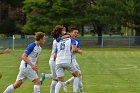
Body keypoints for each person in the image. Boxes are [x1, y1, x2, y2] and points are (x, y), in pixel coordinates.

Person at [40, 25, 69, 93]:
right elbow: (64, 37)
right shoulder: (57, 40)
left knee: (56, 78)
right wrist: (67, 35)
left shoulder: (59, 39)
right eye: (63, 30)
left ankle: (45, 76)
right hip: (54, 61)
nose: (64, 31)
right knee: (56, 79)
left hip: (56, 61)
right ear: (60, 32)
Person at [54, 29, 82, 93]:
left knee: (60, 81)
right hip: (67, 61)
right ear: (69, 34)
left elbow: (55, 55)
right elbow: (74, 49)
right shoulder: (72, 40)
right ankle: (74, 92)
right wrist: (79, 51)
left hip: (58, 62)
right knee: (77, 75)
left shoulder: (59, 42)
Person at [65, 27, 84, 93]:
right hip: (70, 61)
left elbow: (76, 50)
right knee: (78, 76)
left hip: (73, 60)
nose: (76, 34)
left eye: (77, 33)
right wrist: (79, 51)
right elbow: (74, 50)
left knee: (79, 75)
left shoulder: (77, 41)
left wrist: (78, 50)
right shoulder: (66, 40)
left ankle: (67, 83)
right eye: (75, 32)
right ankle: (81, 91)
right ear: (70, 33)